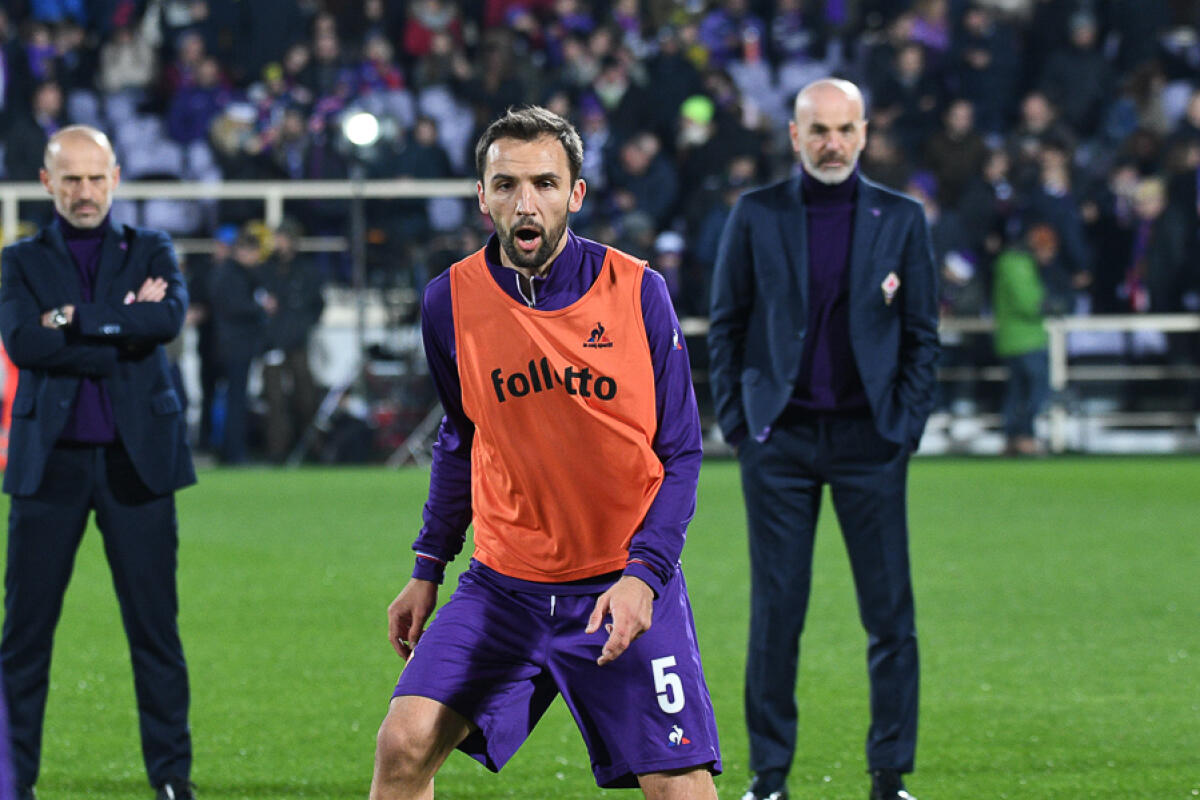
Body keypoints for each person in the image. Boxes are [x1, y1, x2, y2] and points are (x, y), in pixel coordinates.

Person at [369, 106, 721, 800]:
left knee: (680, 789)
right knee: (402, 746)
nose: (525, 203)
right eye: (506, 185)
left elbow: (681, 451)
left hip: (617, 583)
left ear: (576, 194)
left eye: (545, 183)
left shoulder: (639, 291)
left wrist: (645, 576)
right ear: (482, 197)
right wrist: (427, 567)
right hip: (504, 588)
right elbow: (460, 438)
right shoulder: (449, 302)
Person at [708, 79, 940, 800]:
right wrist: (741, 425)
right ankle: (770, 777)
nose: (832, 143)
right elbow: (726, 325)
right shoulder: (756, 214)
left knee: (890, 617)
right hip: (780, 444)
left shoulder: (903, 218)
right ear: (795, 135)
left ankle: (889, 777)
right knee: (777, 615)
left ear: (864, 133)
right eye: (819, 130)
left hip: (872, 441)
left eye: (844, 130)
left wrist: (903, 427)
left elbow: (923, 333)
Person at [0, 126, 196, 800]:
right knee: (24, 640)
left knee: (155, 634)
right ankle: (12, 780)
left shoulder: (152, 246)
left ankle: (170, 778)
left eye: (95, 177)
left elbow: (165, 322)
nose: (84, 192)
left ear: (114, 178)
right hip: (48, 467)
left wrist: (69, 320)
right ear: (46, 182)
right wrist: (118, 323)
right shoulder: (19, 259)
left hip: (137, 467)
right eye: (71, 179)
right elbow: (23, 344)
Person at [260, 218, 323, 463]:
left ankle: (311, 448)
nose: (280, 242)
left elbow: (317, 305)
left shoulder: (306, 271)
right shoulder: (267, 269)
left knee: (306, 398)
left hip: (297, 343)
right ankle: (277, 451)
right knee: (274, 399)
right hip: (272, 343)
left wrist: (302, 326)